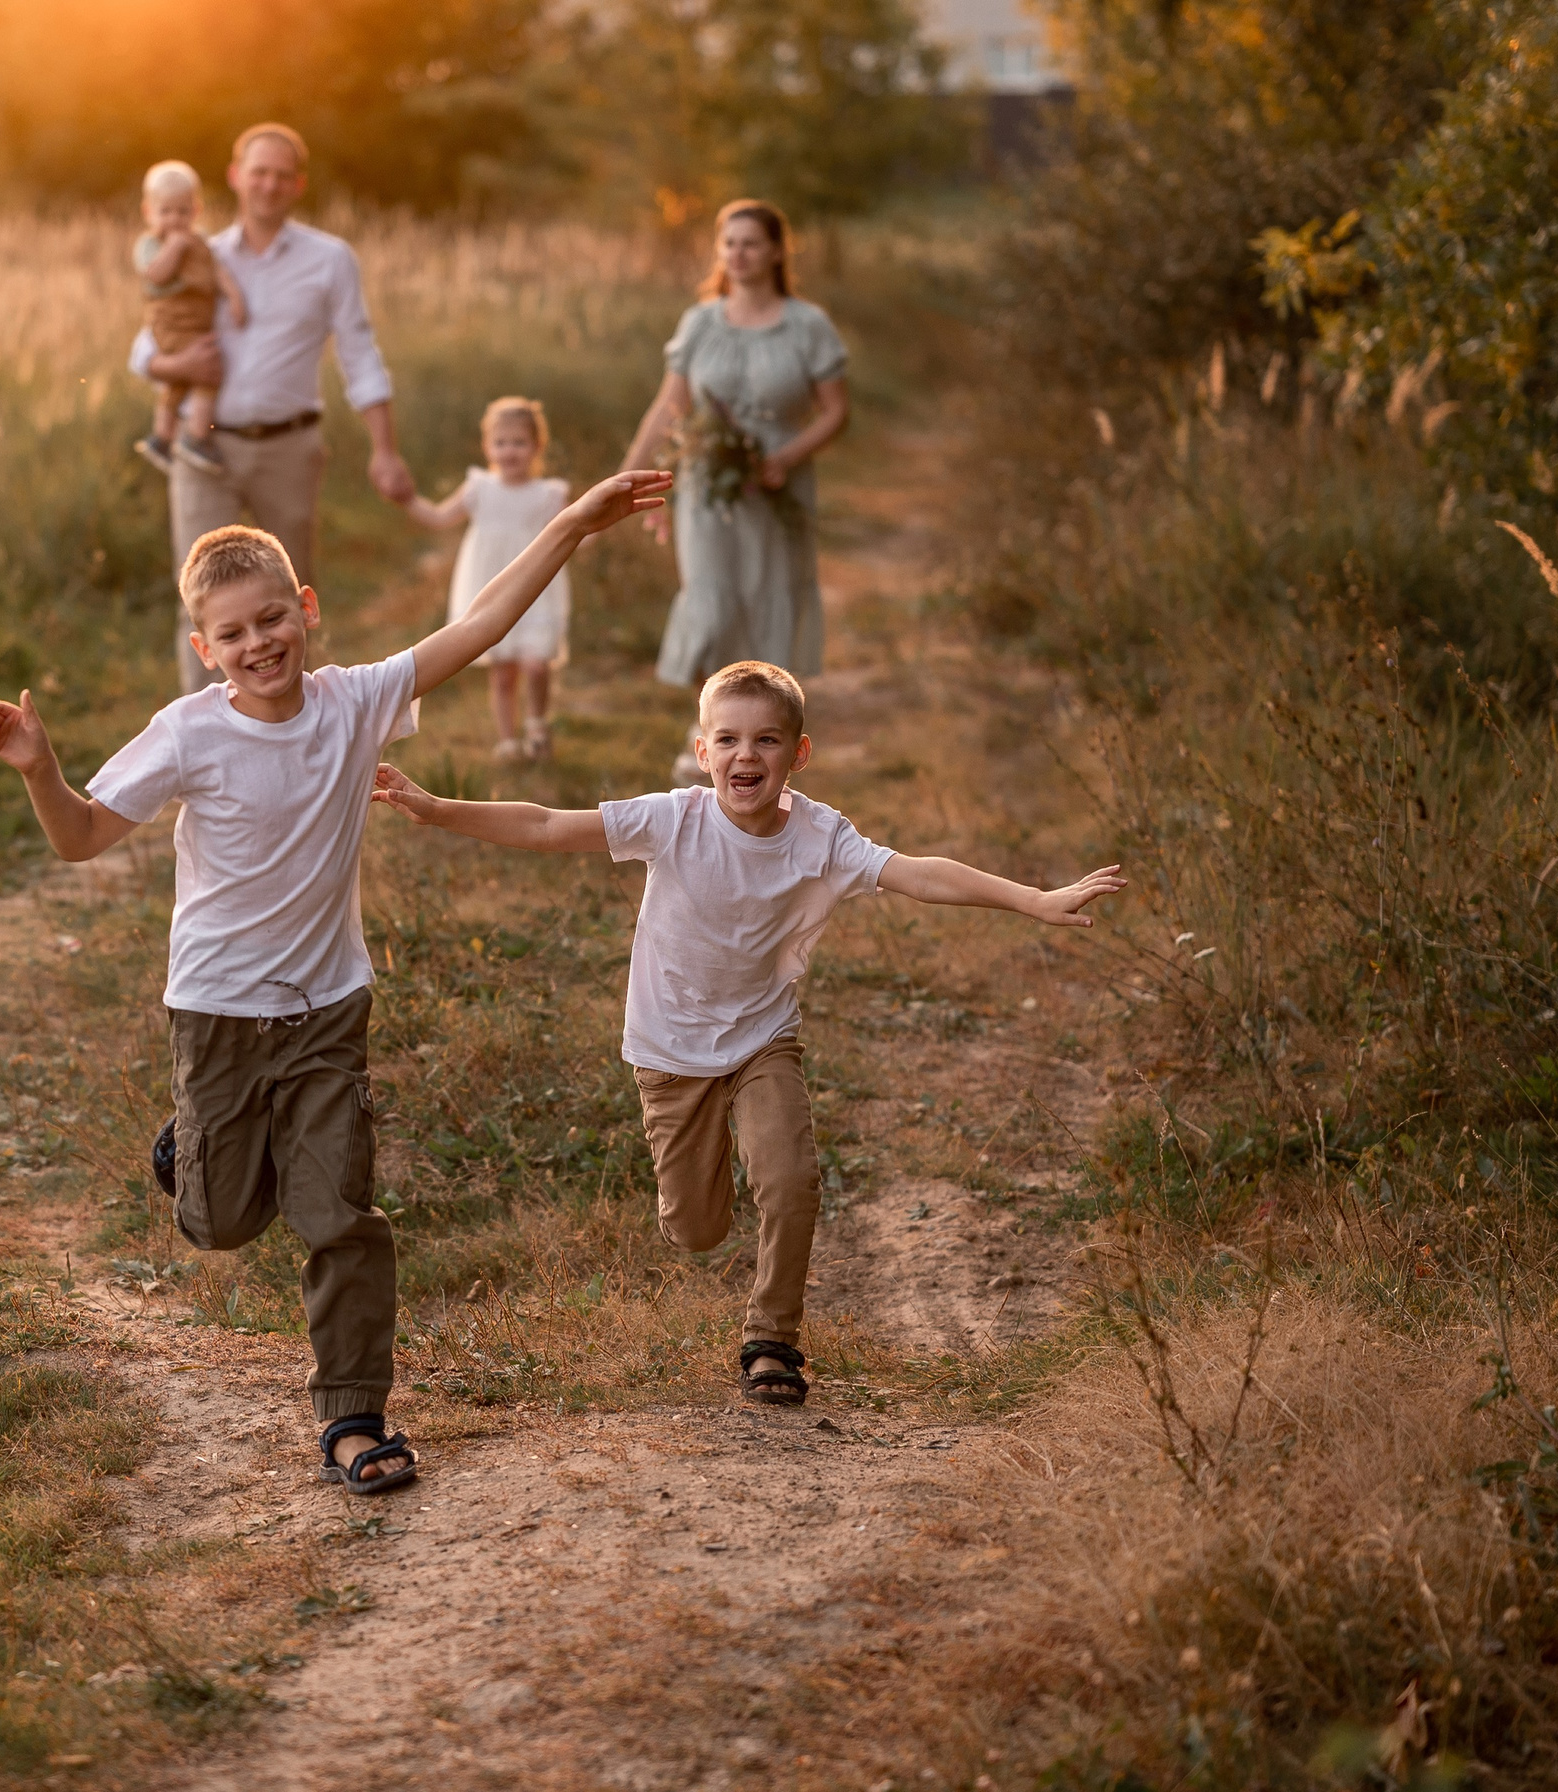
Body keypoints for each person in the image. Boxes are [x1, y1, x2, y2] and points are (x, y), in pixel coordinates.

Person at [0, 470, 673, 1486]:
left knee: (340, 1216)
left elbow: (479, 625)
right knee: (221, 1224)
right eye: (233, 632)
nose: (258, 643)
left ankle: (354, 1419)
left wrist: (570, 523)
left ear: (304, 611)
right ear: (202, 649)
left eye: (272, 618)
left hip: (325, 1010)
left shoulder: (358, 701)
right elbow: (82, 838)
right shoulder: (188, 731)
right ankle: (199, 1146)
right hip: (215, 1015)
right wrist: (43, 769)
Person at [368, 660, 1125, 1406]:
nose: (745, 756)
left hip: (764, 1037)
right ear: (703, 754)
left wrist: (1032, 899)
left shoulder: (823, 837)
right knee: (697, 1230)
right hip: (670, 1052)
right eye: (726, 740)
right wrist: (437, 809)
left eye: (766, 741)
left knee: (791, 1180)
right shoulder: (674, 820)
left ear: (798, 755)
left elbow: (920, 875)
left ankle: (772, 1339)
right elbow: (544, 823)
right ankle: (709, 1181)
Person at [129, 122, 417, 693]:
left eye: (282, 176)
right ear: (236, 178)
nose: (269, 185)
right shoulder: (196, 252)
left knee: (288, 599)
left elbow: (360, 355)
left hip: (290, 447)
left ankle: (292, 744)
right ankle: (206, 756)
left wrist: (385, 450)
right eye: (258, 172)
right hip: (203, 445)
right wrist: (177, 369)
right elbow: (145, 347)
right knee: (202, 600)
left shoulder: (330, 259)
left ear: (297, 185)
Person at [620, 200, 851, 783]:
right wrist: (627, 477)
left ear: (776, 250)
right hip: (707, 489)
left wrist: (786, 457)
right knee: (712, 601)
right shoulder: (700, 322)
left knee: (766, 598)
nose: (738, 254)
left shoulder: (807, 324)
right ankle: (709, 735)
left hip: (778, 488)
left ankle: (767, 745)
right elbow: (670, 408)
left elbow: (836, 413)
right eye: (729, 243)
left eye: (751, 243)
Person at [403, 396, 572, 763]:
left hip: (536, 590)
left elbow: (578, 532)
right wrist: (407, 499)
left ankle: (537, 723)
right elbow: (438, 516)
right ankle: (508, 741)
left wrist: (609, 514)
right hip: (490, 588)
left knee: (536, 664)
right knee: (502, 672)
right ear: (487, 447)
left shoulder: (548, 495)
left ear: (536, 446)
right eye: (501, 442)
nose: (509, 451)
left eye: (519, 442)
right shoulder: (479, 488)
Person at [129, 160, 249, 477]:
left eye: (182, 211)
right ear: (148, 212)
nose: (175, 219)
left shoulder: (202, 242)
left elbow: (216, 270)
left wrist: (234, 295)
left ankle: (162, 438)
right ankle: (197, 436)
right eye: (165, 211)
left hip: (198, 321)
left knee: (181, 380)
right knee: (208, 371)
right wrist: (174, 246)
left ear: (195, 210)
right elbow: (155, 275)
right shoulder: (150, 244)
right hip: (172, 322)